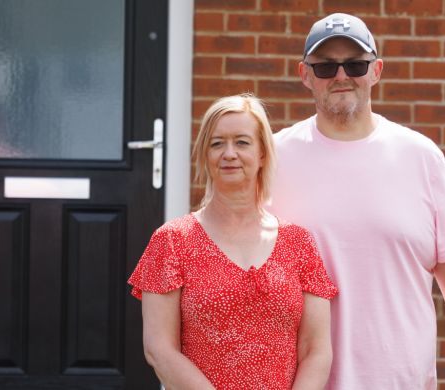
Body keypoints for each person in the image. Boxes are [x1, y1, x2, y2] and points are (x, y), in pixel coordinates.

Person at [264, 13, 445, 390]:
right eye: (326, 66)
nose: (341, 76)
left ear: (375, 71)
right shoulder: (273, 157)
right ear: (305, 75)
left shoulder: (421, 156)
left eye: (355, 64)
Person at [129, 94, 338, 390]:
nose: (229, 153)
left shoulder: (299, 243)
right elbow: (159, 349)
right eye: (217, 143)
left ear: (263, 153)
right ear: (205, 154)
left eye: (242, 142)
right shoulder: (173, 240)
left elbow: (315, 348)